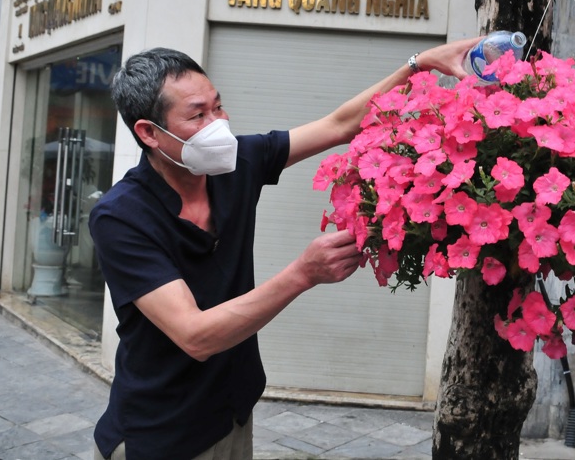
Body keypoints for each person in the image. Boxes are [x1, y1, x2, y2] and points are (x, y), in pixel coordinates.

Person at [90, 39, 478, 460]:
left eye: (218, 106)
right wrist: (303, 273)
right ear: (149, 132)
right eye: (198, 115)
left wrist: (418, 64)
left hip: (232, 413)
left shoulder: (236, 164)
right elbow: (195, 335)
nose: (219, 123)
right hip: (160, 434)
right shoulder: (122, 216)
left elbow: (341, 124)